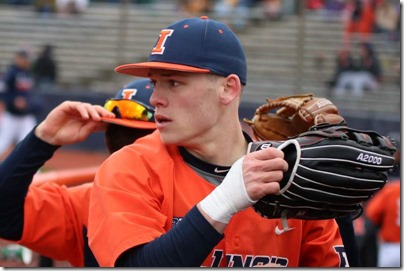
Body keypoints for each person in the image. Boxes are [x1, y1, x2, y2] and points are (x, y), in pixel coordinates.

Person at [88, 16, 348, 267]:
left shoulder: (291, 172)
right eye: (155, 83)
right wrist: (224, 199)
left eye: (174, 83)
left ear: (228, 89)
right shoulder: (128, 168)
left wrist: (341, 204)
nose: (155, 98)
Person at [0, 79, 156, 267]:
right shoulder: (87, 202)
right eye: (118, 132)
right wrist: (43, 139)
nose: (128, 146)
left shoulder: (198, 198)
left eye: (141, 137)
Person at [0, 49, 41, 160]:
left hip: (26, 117)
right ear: (18, 58)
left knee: (31, 144)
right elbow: (3, 93)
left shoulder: (29, 73)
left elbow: (33, 94)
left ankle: (36, 173)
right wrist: (14, 100)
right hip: (12, 117)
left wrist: (30, 104)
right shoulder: (10, 73)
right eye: (24, 58)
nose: (26, 61)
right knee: (3, 143)